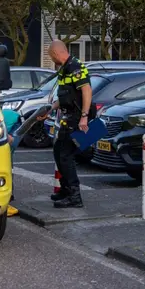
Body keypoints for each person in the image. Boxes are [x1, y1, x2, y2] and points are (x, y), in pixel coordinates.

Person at [37, 40, 93, 208]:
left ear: (55, 54)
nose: (52, 60)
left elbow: (87, 90)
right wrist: (50, 109)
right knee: (58, 151)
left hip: (76, 118)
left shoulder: (75, 67)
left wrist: (84, 116)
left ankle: (74, 197)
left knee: (66, 155)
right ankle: (66, 189)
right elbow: (65, 97)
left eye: (51, 56)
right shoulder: (64, 69)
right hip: (67, 118)